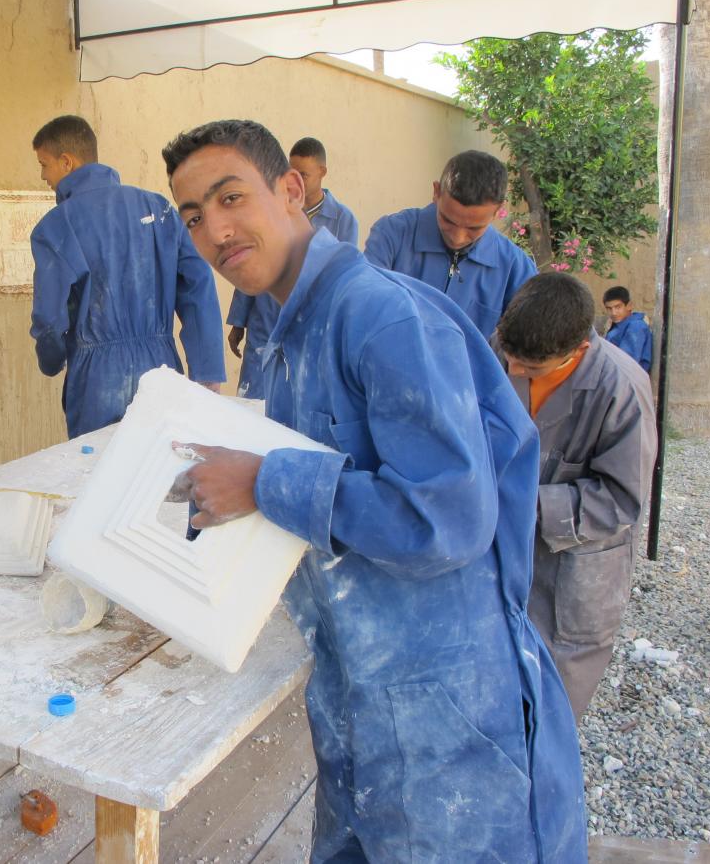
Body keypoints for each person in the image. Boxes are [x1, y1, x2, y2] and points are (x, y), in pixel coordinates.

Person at [161, 120, 585, 863]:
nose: (215, 231)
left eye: (230, 198)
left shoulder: (379, 315)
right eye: (193, 216)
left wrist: (263, 480)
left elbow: (450, 516)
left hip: (444, 712)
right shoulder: (289, 334)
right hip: (359, 693)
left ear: (291, 189)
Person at [495, 273, 657, 720]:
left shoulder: (622, 390)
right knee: (495, 695)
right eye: (510, 359)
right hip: (504, 554)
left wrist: (523, 502)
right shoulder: (501, 349)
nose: (514, 373)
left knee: (552, 709)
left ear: (579, 349)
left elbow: (621, 499)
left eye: (531, 369)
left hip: (575, 570)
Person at [29, 115, 225, 438]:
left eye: (44, 165)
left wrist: (51, 360)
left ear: (66, 162)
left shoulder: (56, 226)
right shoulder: (160, 210)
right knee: (160, 463)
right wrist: (206, 369)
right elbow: (198, 287)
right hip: (162, 371)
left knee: (100, 464)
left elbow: (49, 317)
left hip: (97, 382)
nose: (43, 176)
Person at [226, 137, 358, 399]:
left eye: (304, 174)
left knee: (297, 404)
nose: (294, 179)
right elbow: (251, 261)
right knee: (252, 406)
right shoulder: (271, 208)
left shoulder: (343, 221)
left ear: (322, 172)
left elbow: (344, 279)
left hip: (310, 328)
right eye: (290, 171)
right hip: (264, 325)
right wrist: (239, 321)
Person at [364, 149, 536, 339]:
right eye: (448, 220)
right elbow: (366, 307)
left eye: (473, 228)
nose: (458, 238)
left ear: (498, 211)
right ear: (436, 192)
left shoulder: (515, 268)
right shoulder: (392, 235)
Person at [602, 285, 653, 373]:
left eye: (618, 307)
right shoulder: (618, 325)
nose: (613, 313)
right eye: (609, 308)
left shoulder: (636, 326)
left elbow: (626, 363)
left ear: (629, 306)